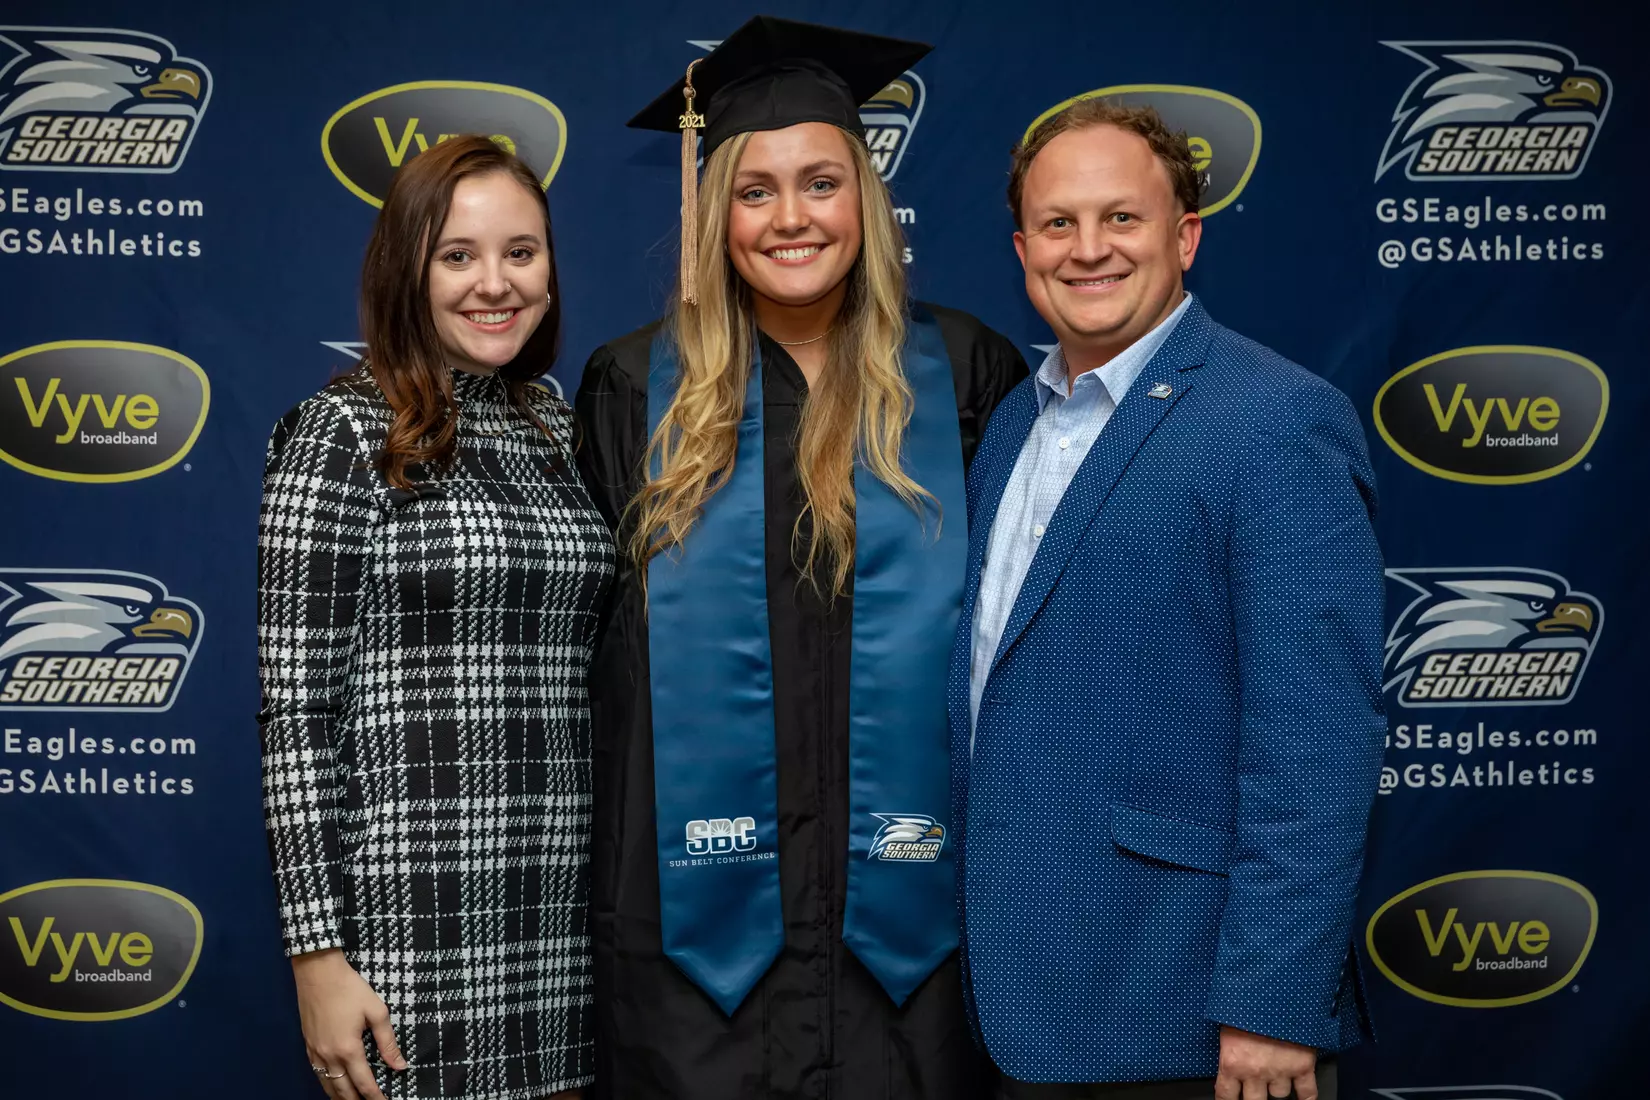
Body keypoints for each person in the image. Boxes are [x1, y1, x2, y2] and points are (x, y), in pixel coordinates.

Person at [573, 17, 1028, 1100]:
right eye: (755, 189)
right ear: (715, 213)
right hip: (696, 952)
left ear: (863, 199)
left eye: (821, 183)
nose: (791, 218)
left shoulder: (967, 373)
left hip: (916, 945)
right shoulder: (636, 388)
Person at [953, 98, 1386, 1100]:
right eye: (1058, 223)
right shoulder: (1013, 425)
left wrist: (1273, 1003)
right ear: (1023, 250)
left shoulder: (1276, 420)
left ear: (1184, 237)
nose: (1087, 248)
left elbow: (1317, 742)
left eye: (1122, 217)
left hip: (1190, 1015)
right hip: (1022, 1004)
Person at [257, 135, 614, 1100]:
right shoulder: (340, 432)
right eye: (458, 255)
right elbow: (297, 715)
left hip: (566, 914)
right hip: (409, 923)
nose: (495, 282)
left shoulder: (556, 427)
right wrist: (317, 955)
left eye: (520, 252)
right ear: (406, 272)